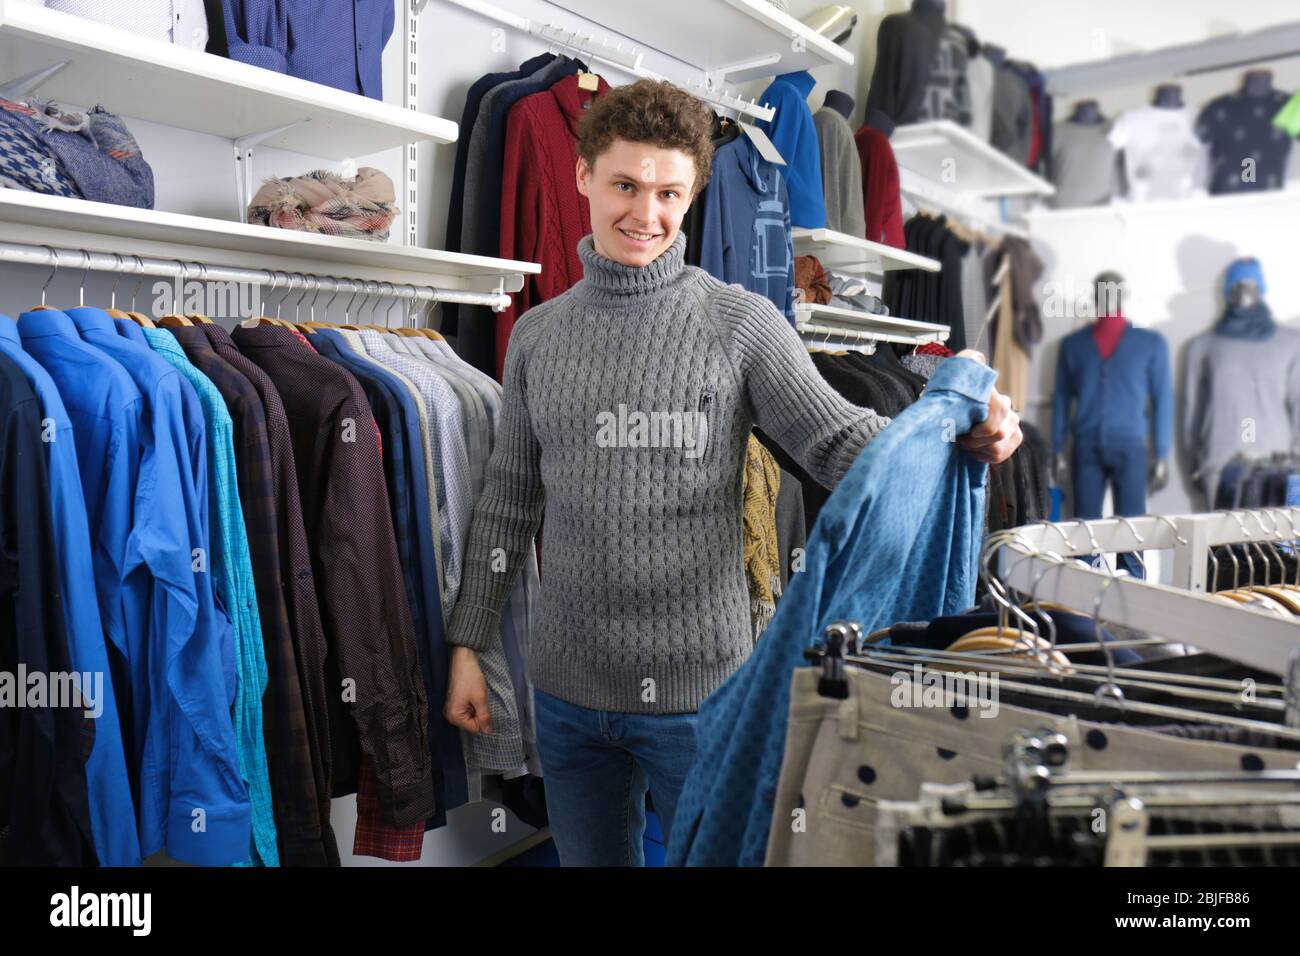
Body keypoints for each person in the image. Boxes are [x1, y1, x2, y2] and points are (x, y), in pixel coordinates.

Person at [442, 79, 1022, 865]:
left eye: (668, 193)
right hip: (569, 694)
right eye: (624, 185)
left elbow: (836, 442)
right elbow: (508, 504)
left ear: (692, 195)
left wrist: (956, 430)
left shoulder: (740, 322)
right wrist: (468, 644)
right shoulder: (537, 336)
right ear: (583, 176)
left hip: (702, 700)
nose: (644, 214)